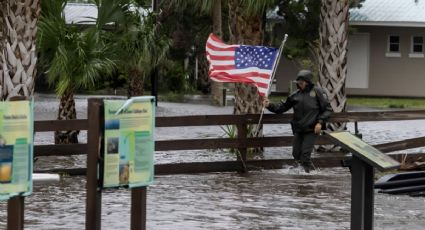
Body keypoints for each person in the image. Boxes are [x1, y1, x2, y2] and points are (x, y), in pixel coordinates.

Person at [263, 70, 333, 173]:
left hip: (312, 129)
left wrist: (320, 122)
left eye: (302, 82)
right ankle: (304, 174)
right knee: (296, 154)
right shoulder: (295, 95)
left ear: (308, 82)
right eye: (298, 82)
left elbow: (328, 109)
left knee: (305, 155)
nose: (299, 84)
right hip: (298, 129)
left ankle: (312, 176)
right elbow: (281, 108)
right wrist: (270, 105)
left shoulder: (318, 92)